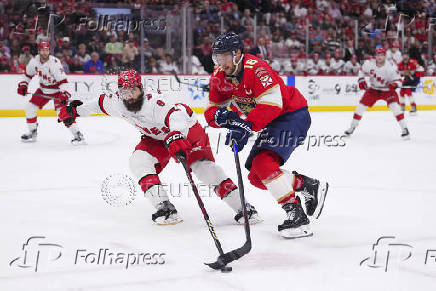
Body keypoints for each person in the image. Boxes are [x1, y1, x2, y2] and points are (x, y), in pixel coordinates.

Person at [57, 69, 261, 225]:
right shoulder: (116, 101)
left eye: (133, 91)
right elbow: (98, 103)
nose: (128, 96)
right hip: (156, 138)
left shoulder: (155, 102)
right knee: (138, 161)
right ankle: (165, 207)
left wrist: (176, 134)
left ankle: (244, 208)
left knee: (204, 169)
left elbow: (176, 114)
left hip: (187, 132)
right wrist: (74, 111)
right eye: (124, 92)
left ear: (141, 88)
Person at [204, 32, 329, 239]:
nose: (220, 62)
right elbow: (211, 112)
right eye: (217, 57)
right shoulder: (219, 76)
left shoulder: (257, 69)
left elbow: (273, 103)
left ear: (237, 54)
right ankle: (306, 185)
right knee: (256, 177)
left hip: (292, 115)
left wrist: (246, 126)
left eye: (224, 56)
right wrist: (224, 118)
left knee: (263, 164)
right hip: (271, 121)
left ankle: (296, 215)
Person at [17, 41, 85, 144]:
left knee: (63, 113)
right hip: (43, 90)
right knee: (30, 108)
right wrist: (23, 84)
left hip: (57, 91)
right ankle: (32, 132)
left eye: (47, 50)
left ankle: (78, 135)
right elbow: (27, 75)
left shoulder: (55, 63)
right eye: (43, 50)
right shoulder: (34, 61)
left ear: (49, 51)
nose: (45, 52)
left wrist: (64, 94)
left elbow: (63, 82)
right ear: (39, 51)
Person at [344, 48, 409, 139]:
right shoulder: (369, 63)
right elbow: (361, 70)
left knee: (395, 108)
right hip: (373, 89)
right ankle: (352, 127)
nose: (379, 57)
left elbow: (398, 80)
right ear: (375, 55)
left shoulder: (391, 66)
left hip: (387, 91)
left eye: (382, 55)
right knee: (360, 107)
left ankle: (405, 129)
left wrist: (395, 84)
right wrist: (361, 80)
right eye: (378, 55)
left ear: (385, 56)